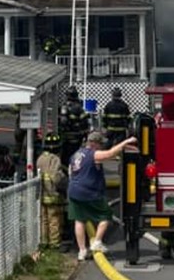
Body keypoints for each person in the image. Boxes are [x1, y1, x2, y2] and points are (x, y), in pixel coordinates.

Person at [68, 131, 136, 260]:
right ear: (94, 144)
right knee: (105, 215)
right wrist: (125, 143)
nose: (101, 147)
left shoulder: (76, 154)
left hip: (74, 191)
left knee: (79, 219)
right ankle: (97, 242)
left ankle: (82, 251)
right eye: (100, 144)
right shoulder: (92, 154)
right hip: (89, 192)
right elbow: (109, 154)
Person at [37, 133, 68, 251]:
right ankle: (55, 245)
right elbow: (57, 178)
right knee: (54, 220)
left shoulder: (40, 158)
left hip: (42, 194)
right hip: (53, 195)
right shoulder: (55, 159)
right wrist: (65, 185)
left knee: (43, 220)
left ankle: (44, 242)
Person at [59, 86, 90, 166]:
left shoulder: (63, 107)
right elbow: (84, 122)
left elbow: (61, 122)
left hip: (65, 137)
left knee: (65, 155)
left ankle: (65, 170)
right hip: (76, 136)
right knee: (76, 154)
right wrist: (85, 134)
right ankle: (74, 169)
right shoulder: (78, 108)